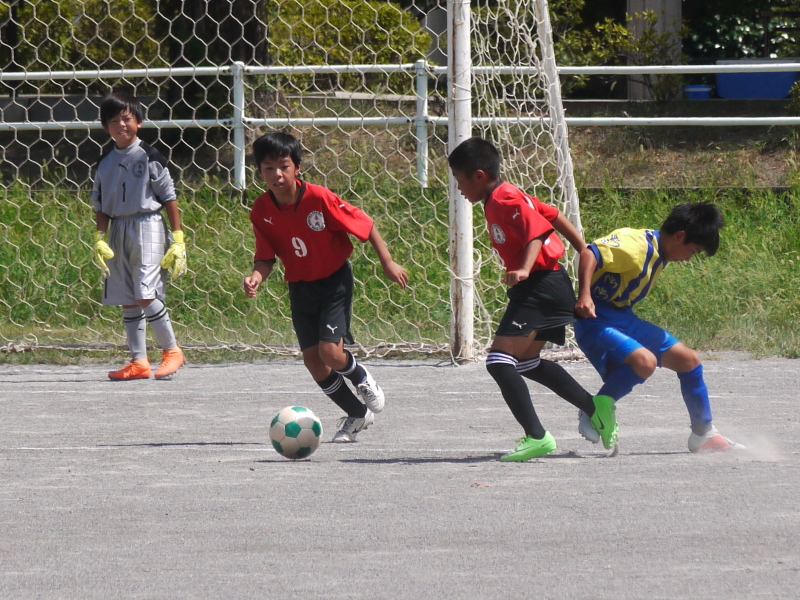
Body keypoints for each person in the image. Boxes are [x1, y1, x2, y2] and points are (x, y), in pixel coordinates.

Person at [447, 136, 617, 461]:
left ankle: (537, 436)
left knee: (498, 361)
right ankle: (596, 408)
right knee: (526, 362)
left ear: (479, 176)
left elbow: (538, 231)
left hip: (540, 285)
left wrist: (524, 268)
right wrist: (582, 248)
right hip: (548, 285)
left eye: (460, 180)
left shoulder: (504, 199)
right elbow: (552, 215)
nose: (459, 188)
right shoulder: (509, 194)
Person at [243, 131, 408, 442]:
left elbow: (366, 224)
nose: (277, 175)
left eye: (284, 166)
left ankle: (363, 379)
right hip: (299, 286)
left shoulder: (319, 198)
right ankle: (358, 416)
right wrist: (256, 276)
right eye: (268, 168)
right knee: (313, 362)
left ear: (298, 167)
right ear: (259, 171)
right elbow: (266, 257)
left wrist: (388, 262)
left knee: (330, 353)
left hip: (333, 280)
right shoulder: (262, 210)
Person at [574, 202, 745, 452]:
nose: (689, 259)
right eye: (694, 251)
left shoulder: (659, 251)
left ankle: (704, 433)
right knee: (645, 362)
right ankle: (592, 411)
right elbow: (590, 253)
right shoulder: (635, 245)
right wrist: (584, 295)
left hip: (623, 317)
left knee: (689, 361)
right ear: (680, 236)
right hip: (594, 319)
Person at [91, 92, 187, 381]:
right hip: (118, 229)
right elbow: (101, 205)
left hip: (148, 225)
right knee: (127, 297)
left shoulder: (149, 156)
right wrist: (99, 237)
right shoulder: (104, 162)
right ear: (105, 127)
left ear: (139, 122)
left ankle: (172, 350)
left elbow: (169, 197)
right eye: (113, 120)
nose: (121, 124)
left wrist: (178, 238)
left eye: (126, 118)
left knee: (146, 293)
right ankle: (138, 361)